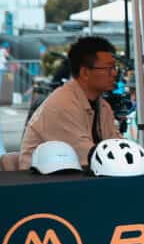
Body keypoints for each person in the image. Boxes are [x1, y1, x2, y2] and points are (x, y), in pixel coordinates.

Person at [19, 36, 120, 169]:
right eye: (108, 68)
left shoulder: (102, 106)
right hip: (40, 183)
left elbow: (116, 145)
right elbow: (91, 156)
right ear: (85, 72)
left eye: (115, 68)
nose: (114, 73)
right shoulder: (62, 105)